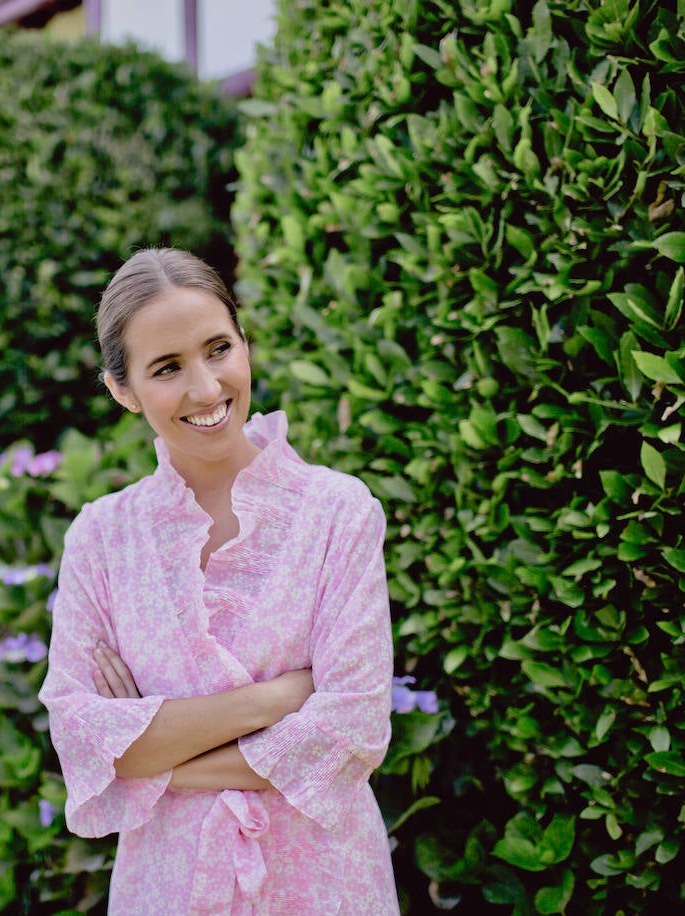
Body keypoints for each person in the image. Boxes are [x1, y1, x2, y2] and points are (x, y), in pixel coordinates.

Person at [39, 248, 399, 913]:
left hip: (324, 884)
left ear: (245, 344)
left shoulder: (339, 513)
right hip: (166, 887)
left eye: (218, 349)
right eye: (167, 368)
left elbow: (352, 732)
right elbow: (84, 740)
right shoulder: (100, 539)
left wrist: (153, 757)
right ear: (123, 389)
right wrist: (278, 701)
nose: (205, 389)